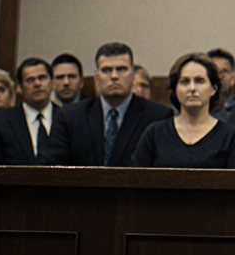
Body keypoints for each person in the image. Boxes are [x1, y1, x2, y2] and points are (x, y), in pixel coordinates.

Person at [45, 42, 174, 167]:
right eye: (106, 70)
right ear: (96, 76)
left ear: (133, 75)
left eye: (121, 69)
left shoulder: (158, 116)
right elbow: (52, 168)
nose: (114, 76)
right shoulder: (70, 117)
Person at [133, 53, 235, 169]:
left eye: (200, 81)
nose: (192, 88)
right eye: (184, 82)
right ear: (175, 89)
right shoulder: (154, 134)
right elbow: (136, 181)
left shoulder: (230, 135)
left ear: (213, 89)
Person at [0, 58, 57, 165]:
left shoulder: (68, 118)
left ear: (52, 81)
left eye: (42, 78)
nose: (37, 84)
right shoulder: (1, 122)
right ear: (19, 87)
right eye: (30, 80)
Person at [207, 48, 235, 117]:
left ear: (232, 78)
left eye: (223, 72)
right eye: (214, 72)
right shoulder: (195, 109)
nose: (219, 77)